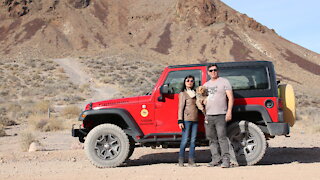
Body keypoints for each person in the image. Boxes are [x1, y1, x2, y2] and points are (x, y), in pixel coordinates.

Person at [204, 64, 234, 168]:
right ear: (208, 72)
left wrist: (229, 111)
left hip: (221, 114)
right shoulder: (206, 85)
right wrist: (205, 114)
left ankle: (226, 160)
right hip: (209, 115)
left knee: (222, 138)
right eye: (211, 70)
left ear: (218, 71)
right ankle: (215, 159)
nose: (213, 72)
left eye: (215, 70)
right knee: (212, 139)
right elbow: (202, 100)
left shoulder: (224, 82)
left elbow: (230, 97)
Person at [178, 75, 199, 167]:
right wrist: (180, 120)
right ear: (184, 82)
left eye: (192, 81)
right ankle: (181, 160)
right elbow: (180, 108)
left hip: (195, 119)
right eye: (188, 80)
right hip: (186, 120)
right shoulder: (183, 94)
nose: (190, 82)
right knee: (185, 140)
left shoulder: (196, 93)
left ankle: (191, 161)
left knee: (193, 141)